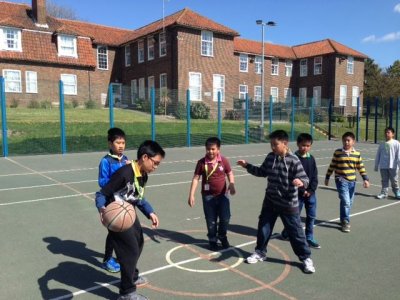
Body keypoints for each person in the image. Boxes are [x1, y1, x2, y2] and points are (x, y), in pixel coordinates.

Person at [237, 130, 315, 274]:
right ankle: (260, 252)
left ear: (284, 144)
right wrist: (247, 166)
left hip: (288, 204)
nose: (272, 147)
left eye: (275, 144)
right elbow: (262, 172)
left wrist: (300, 182)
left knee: (296, 233)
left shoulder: (293, 160)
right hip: (270, 202)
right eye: (271, 144)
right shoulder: (270, 157)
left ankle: (306, 258)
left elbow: (305, 178)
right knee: (263, 228)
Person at [95, 140, 165, 300]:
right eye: (155, 163)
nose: (156, 167)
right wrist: (102, 209)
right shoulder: (124, 173)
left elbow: (138, 197)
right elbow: (101, 193)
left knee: (139, 242)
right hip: (117, 216)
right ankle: (127, 293)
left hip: (128, 213)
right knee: (130, 251)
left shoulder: (143, 175)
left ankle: (132, 275)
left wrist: (150, 212)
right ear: (145, 157)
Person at [188, 137, 236, 251]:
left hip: (223, 195)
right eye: (208, 149)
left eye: (213, 149)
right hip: (208, 197)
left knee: (225, 217)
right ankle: (212, 239)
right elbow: (195, 178)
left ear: (218, 149)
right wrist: (191, 194)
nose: (210, 151)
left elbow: (230, 173)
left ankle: (222, 235)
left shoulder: (223, 161)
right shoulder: (201, 163)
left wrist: (232, 184)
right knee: (211, 220)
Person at [98, 127, 130, 273]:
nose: (121, 145)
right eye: (118, 142)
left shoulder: (125, 160)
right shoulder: (106, 161)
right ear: (110, 144)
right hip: (112, 201)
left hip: (124, 200)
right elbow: (102, 181)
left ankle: (117, 255)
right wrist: (117, 181)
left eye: (123, 142)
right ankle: (106, 260)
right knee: (113, 231)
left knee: (122, 230)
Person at [325, 131, 370, 233]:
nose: (346, 142)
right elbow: (332, 165)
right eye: (344, 140)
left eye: (348, 140)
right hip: (341, 180)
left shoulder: (357, 154)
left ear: (353, 142)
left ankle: (342, 219)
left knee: (348, 202)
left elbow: (361, 167)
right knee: (346, 202)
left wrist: (365, 179)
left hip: (352, 181)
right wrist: (327, 177)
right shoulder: (338, 152)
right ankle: (345, 221)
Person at [281, 133, 320, 249]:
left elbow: (314, 176)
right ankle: (287, 232)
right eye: (303, 145)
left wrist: (311, 190)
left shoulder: (311, 158)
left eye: (308, 146)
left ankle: (309, 237)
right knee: (295, 216)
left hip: (311, 194)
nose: (305, 148)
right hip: (297, 194)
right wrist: (302, 189)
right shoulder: (293, 158)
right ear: (298, 144)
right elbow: (291, 176)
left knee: (311, 216)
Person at [374, 127, 400, 199]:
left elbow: (398, 155)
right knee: (384, 180)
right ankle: (384, 193)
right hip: (383, 166)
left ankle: (397, 192)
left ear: (393, 134)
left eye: (388, 132)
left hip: (393, 166)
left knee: (394, 180)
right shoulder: (382, 144)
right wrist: (376, 165)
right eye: (386, 132)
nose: (386, 134)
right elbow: (378, 155)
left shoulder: (396, 143)